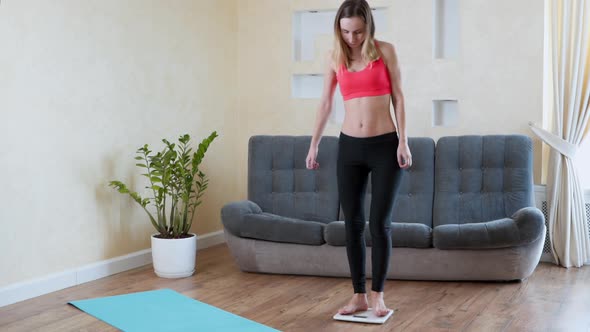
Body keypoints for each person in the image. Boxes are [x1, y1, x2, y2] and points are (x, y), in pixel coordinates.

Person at [305, 0, 412, 318]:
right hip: (349, 147)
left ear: (369, 28)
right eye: (346, 31)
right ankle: (358, 295)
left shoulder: (385, 52)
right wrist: (314, 145)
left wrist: (403, 141)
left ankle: (378, 295)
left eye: (359, 32)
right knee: (351, 224)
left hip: (385, 146)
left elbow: (399, 97)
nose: (352, 38)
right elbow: (325, 103)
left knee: (379, 223)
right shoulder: (334, 58)